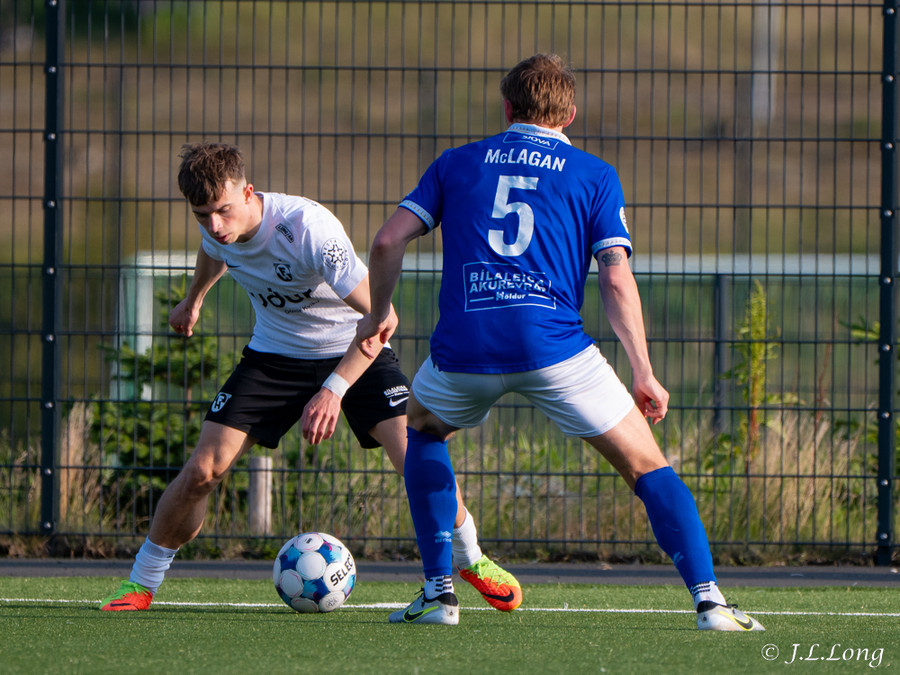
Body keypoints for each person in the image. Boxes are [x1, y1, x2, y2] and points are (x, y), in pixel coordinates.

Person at [356, 54, 765, 630]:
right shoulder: (595, 174)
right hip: (555, 349)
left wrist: (378, 313)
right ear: (569, 114)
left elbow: (385, 242)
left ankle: (438, 594)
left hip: (465, 349)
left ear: (507, 108)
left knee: (422, 429)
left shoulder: (456, 163)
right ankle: (711, 602)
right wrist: (643, 370)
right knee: (647, 465)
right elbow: (615, 277)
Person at [100, 142, 521, 612]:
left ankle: (471, 558)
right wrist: (194, 298)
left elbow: (384, 320)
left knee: (415, 458)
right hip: (273, 357)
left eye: (222, 210)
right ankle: (141, 583)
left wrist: (333, 390)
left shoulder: (306, 229)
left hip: (354, 349)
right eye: (202, 215)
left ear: (248, 192)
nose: (215, 224)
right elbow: (214, 249)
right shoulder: (217, 228)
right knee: (203, 470)